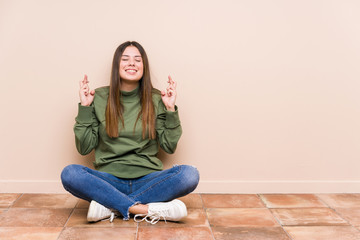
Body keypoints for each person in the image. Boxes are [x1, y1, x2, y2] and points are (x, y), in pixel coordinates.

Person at [61, 41, 199, 224]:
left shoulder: (157, 98)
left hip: (149, 179)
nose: (132, 63)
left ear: (144, 67)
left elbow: (169, 146)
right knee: (70, 174)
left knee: (189, 175)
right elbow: (84, 147)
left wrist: (171, 109)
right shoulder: (99, 97)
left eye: (137, 60)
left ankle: (111, 205)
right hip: (109, 180)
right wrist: (85, 108)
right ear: (117, 65)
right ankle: (144, 209)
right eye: (125, 59)